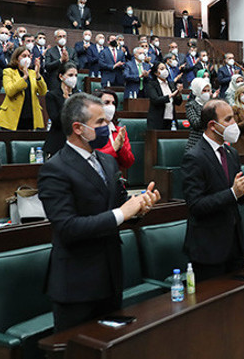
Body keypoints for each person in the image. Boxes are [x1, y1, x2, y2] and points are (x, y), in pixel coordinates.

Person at [38, 93, 159, 332]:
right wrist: (122, 213)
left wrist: (140, 207)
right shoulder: (55, 169)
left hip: (110, 277)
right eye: (100, 122)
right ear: (78, 128)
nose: (107, 127)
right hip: (77, 284)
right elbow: (68, 227)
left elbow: (119, 203)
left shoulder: (107, 161)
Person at [181, 99, 244, 282]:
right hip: (209, 248)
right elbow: (196, 205)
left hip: (234, 245)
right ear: (212, 125)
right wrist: (233, 193)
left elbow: (234, 196)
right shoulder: (194, 157)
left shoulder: (232, 154)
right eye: (228, 119)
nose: (234, 124)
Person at [0, 47, 48, 131]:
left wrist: (38, 75)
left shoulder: (33, 73)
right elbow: (10, 91)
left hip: (31, 115)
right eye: (24, 56)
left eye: (28, 56)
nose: (27, 58)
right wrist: (24, 77)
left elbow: (43, 92)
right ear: (16, 59)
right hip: (13, 117)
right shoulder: (8, 71)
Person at [43, 63, 80, 158]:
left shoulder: (79, 96)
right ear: (61, 76)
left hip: (76, 142)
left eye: (75, 75)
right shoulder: (52, 95)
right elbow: (56, 121)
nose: (74, 78)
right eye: (70, 75)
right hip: (58, 142)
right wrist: (67, 102)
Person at [93, 89, 135, 170]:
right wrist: (114, 148)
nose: (111, 106)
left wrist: (121, 148)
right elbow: (92, 160)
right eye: (106, 102)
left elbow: (128, 163)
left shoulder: (119, 131)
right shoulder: (89, 130)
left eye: (113, 103)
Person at [145, 62, 183, 130]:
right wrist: (170, 95)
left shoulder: (171, 84)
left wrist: (178, 93)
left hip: (171, 119)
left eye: (165, 68)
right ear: (156, 73)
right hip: (157, 120)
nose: (165, 70)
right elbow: (155, 100)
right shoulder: (152, 84)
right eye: (162, 69)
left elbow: (178, 103)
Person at [185, 78, 212, 151]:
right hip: (196, 143)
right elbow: (196, 124)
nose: (206, 93)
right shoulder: (191, 105)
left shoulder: (212, 105)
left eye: (208, 91)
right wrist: (207, 110)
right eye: (204, 91)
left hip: (210, 143)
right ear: (198, 91)